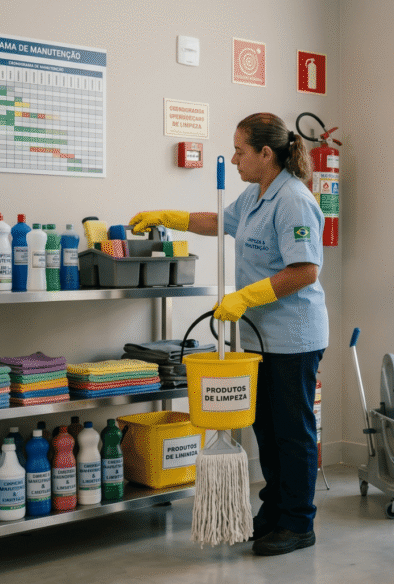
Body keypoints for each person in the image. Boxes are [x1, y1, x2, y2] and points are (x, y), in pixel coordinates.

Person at [130, 112, 328, 557]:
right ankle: (274, 511)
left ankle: (299, 522)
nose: (235, 158)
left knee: (292, 433)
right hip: (258, 340)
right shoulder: (256, 194)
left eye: (241, 151)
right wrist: (169, 216)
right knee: (266, 427)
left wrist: (246, 297)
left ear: (265, 153)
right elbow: (217, 223)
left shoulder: (293, 199)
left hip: (294, 336)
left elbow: (306, 270)